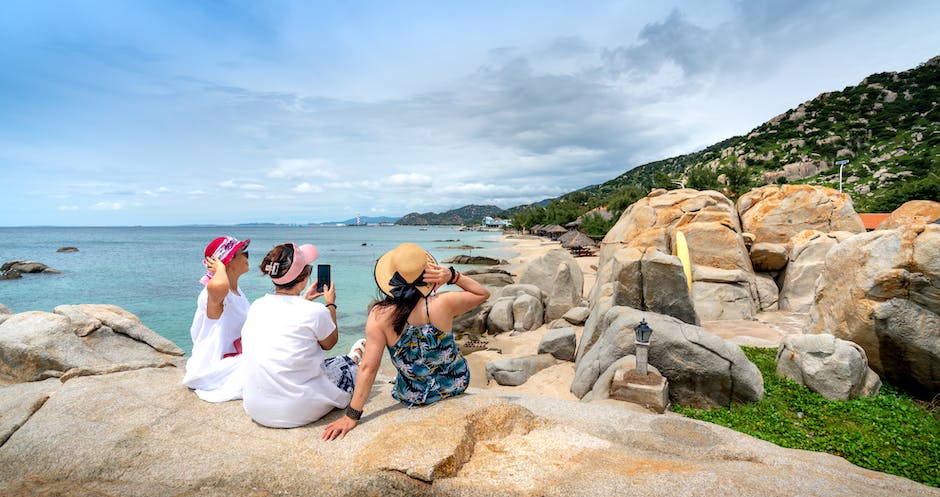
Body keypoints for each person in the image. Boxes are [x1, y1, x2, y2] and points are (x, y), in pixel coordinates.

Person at [322, 243, 490, 441]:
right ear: (428, 275)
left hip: (412, 394)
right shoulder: (444, 302)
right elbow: (482, 293)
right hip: (455, 383)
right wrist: (453, 276)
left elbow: (368, 368)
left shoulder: (379, 315)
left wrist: (352, 416)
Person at [241, 242, 366, 428]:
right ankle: (354, 357)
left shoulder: (257, 305)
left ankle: (353, 356)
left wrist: (303, 300)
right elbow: (330, 342)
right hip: (297, 409)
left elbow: (287, 318)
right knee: (348, 366)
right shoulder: (314, 311)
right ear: (305, 276)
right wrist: (330, 304)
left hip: (256, 407)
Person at [182, 235, 251, 402]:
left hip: (233, 358)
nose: (248, 256)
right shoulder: (213, 292)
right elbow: (218, 286)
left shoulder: (236, 291)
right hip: (215, 366)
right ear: (229, 261)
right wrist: (220, 269)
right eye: (244, 253)